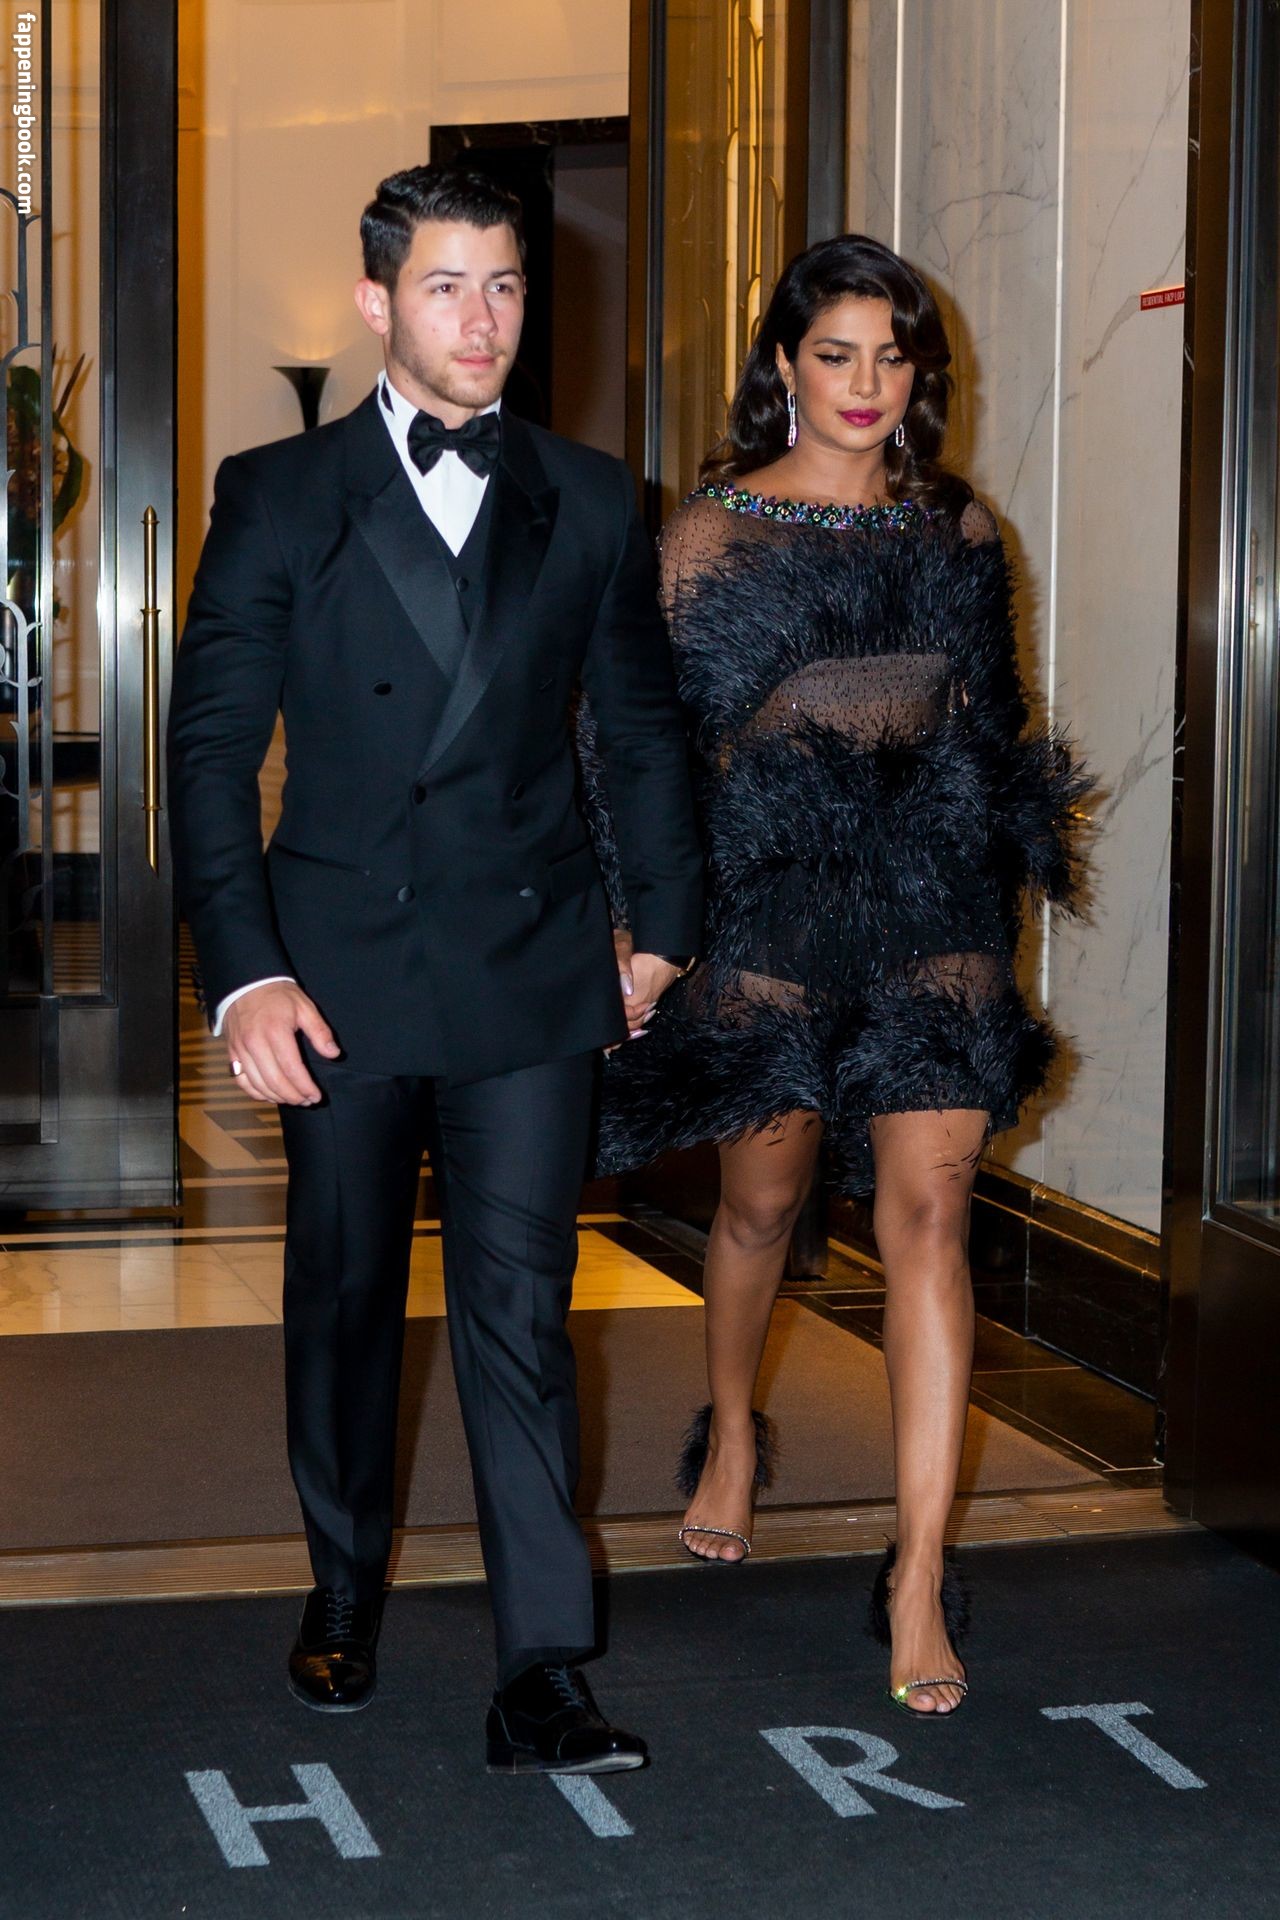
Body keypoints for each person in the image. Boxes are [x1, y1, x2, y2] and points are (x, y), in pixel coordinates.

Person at [167, 164, 702, 1773]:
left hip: (531, 963)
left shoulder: (592, 496)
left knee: (522, 1315)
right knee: (344, 1298)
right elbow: (209, 756)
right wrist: (245, 975)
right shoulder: (279, 492)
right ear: (376, 302)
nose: (484, 320)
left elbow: (643, 730)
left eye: (508, 286)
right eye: (448, 286)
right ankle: (345, 1579)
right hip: (337, 976)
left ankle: (542, 1664)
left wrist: (663, 926)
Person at [595, 234, 1087, 1716]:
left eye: (892, 355)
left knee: (930, 1212)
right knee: (764, 1200)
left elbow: (994, 732)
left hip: (933, 899)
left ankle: (919, 1571)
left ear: (918, 373)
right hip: (774, 901)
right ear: (785, 366)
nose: (866, 384)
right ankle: (734, 1426)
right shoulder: (709, 536)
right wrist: (639, 928)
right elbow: (651, 755)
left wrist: (995, 898)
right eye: (835, 354)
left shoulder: (959, 528)